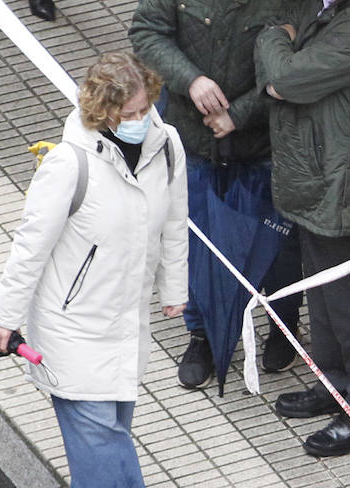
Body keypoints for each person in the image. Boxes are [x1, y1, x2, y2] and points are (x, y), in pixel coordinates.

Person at [0, 52, 188, 488]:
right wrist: (4, 317)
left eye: (147, 105)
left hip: (126, 315)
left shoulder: (166, 147)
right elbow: (30, 247)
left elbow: (175, 221)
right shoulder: (68, 164)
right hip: (69, 321)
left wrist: (176, 288)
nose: (144, 117)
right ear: (105, 112)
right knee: (98, 428)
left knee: (116, 416)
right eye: (132, 111)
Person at [256, 0, 350, 458]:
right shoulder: (338, 9)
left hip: (344, 180)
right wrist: (283, 59)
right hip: (321, 173)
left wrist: (272, 37)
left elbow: (285, 78)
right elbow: (289, 75)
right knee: (323, 289)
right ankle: (334, 384)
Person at [130, 0, 304, 388]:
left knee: (277, 243)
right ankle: (203, 334)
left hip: (266, 141)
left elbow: (301, 64)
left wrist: (238, 113)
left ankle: (283, 323)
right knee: (194, 238)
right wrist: (190, 80)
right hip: (190, 138)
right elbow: (146, 32)